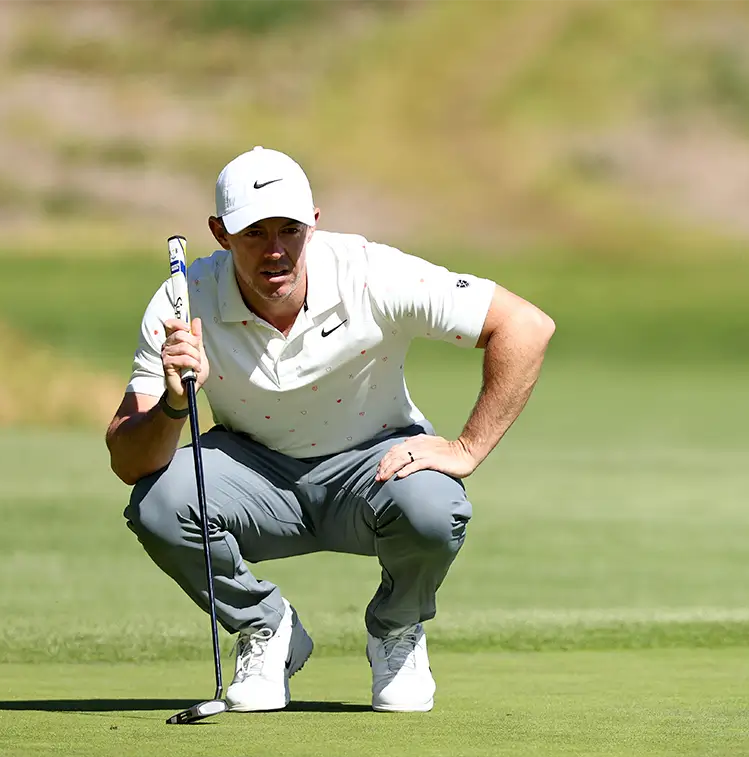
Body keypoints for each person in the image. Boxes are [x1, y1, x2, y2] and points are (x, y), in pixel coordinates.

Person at [105, 146, 554, 712]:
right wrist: (172, 405)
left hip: (373, 466)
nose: (274, 251)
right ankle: (268, 629)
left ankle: (397, 628)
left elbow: (525, 325)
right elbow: (128, 462)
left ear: (314, 222)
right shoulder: (182, 299)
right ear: (220, 233)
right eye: (253, 233)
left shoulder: (369, 272)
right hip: (253, 471)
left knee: (435, 506)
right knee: (158, 505)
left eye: (289, 229)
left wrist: (467, 448)